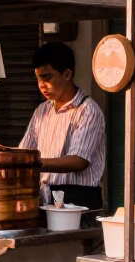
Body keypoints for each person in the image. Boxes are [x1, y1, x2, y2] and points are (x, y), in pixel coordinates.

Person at [18, 42, 105, 209]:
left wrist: (35, 162)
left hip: (79, 199)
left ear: (66, 74)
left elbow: (78, 161)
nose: (41, 85)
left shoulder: (88, 111)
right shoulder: (42, 111)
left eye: (47, 77)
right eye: (38, 78)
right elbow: (25, 151)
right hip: (45, 196)